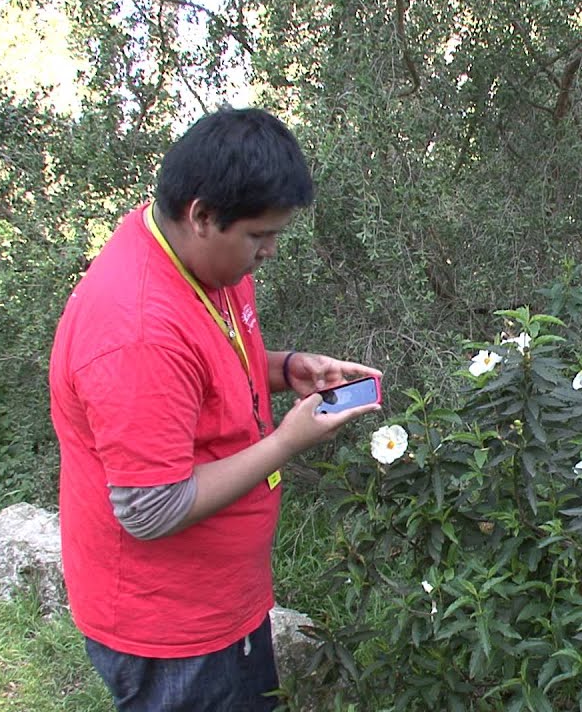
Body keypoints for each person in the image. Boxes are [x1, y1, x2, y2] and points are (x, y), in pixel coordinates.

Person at [49, 107, 381, 711]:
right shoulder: (136, 330)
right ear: (201, 215)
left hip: (221, 597)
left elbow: (200, 375)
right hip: (170, 628)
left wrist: (285, 369)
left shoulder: (199, 260)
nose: (270, 252)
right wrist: (286, 443)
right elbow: (150, 509)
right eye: (260, 235)